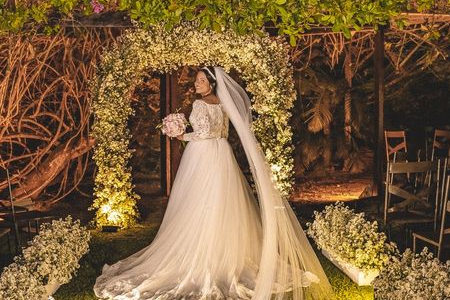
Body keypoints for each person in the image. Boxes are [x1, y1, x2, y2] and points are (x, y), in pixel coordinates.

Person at [94, 66, 333, 300]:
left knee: (197, 201)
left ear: (211, 83)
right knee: (222, 202)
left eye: (200, 80)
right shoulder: (223, 103)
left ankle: (201, 251)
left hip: (203, 154)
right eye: (196, 80)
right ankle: (224, 250)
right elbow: (223, 133)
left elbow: (203, 133)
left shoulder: (199, 104)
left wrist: (181, 135)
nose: (196, 84)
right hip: (222, 153)